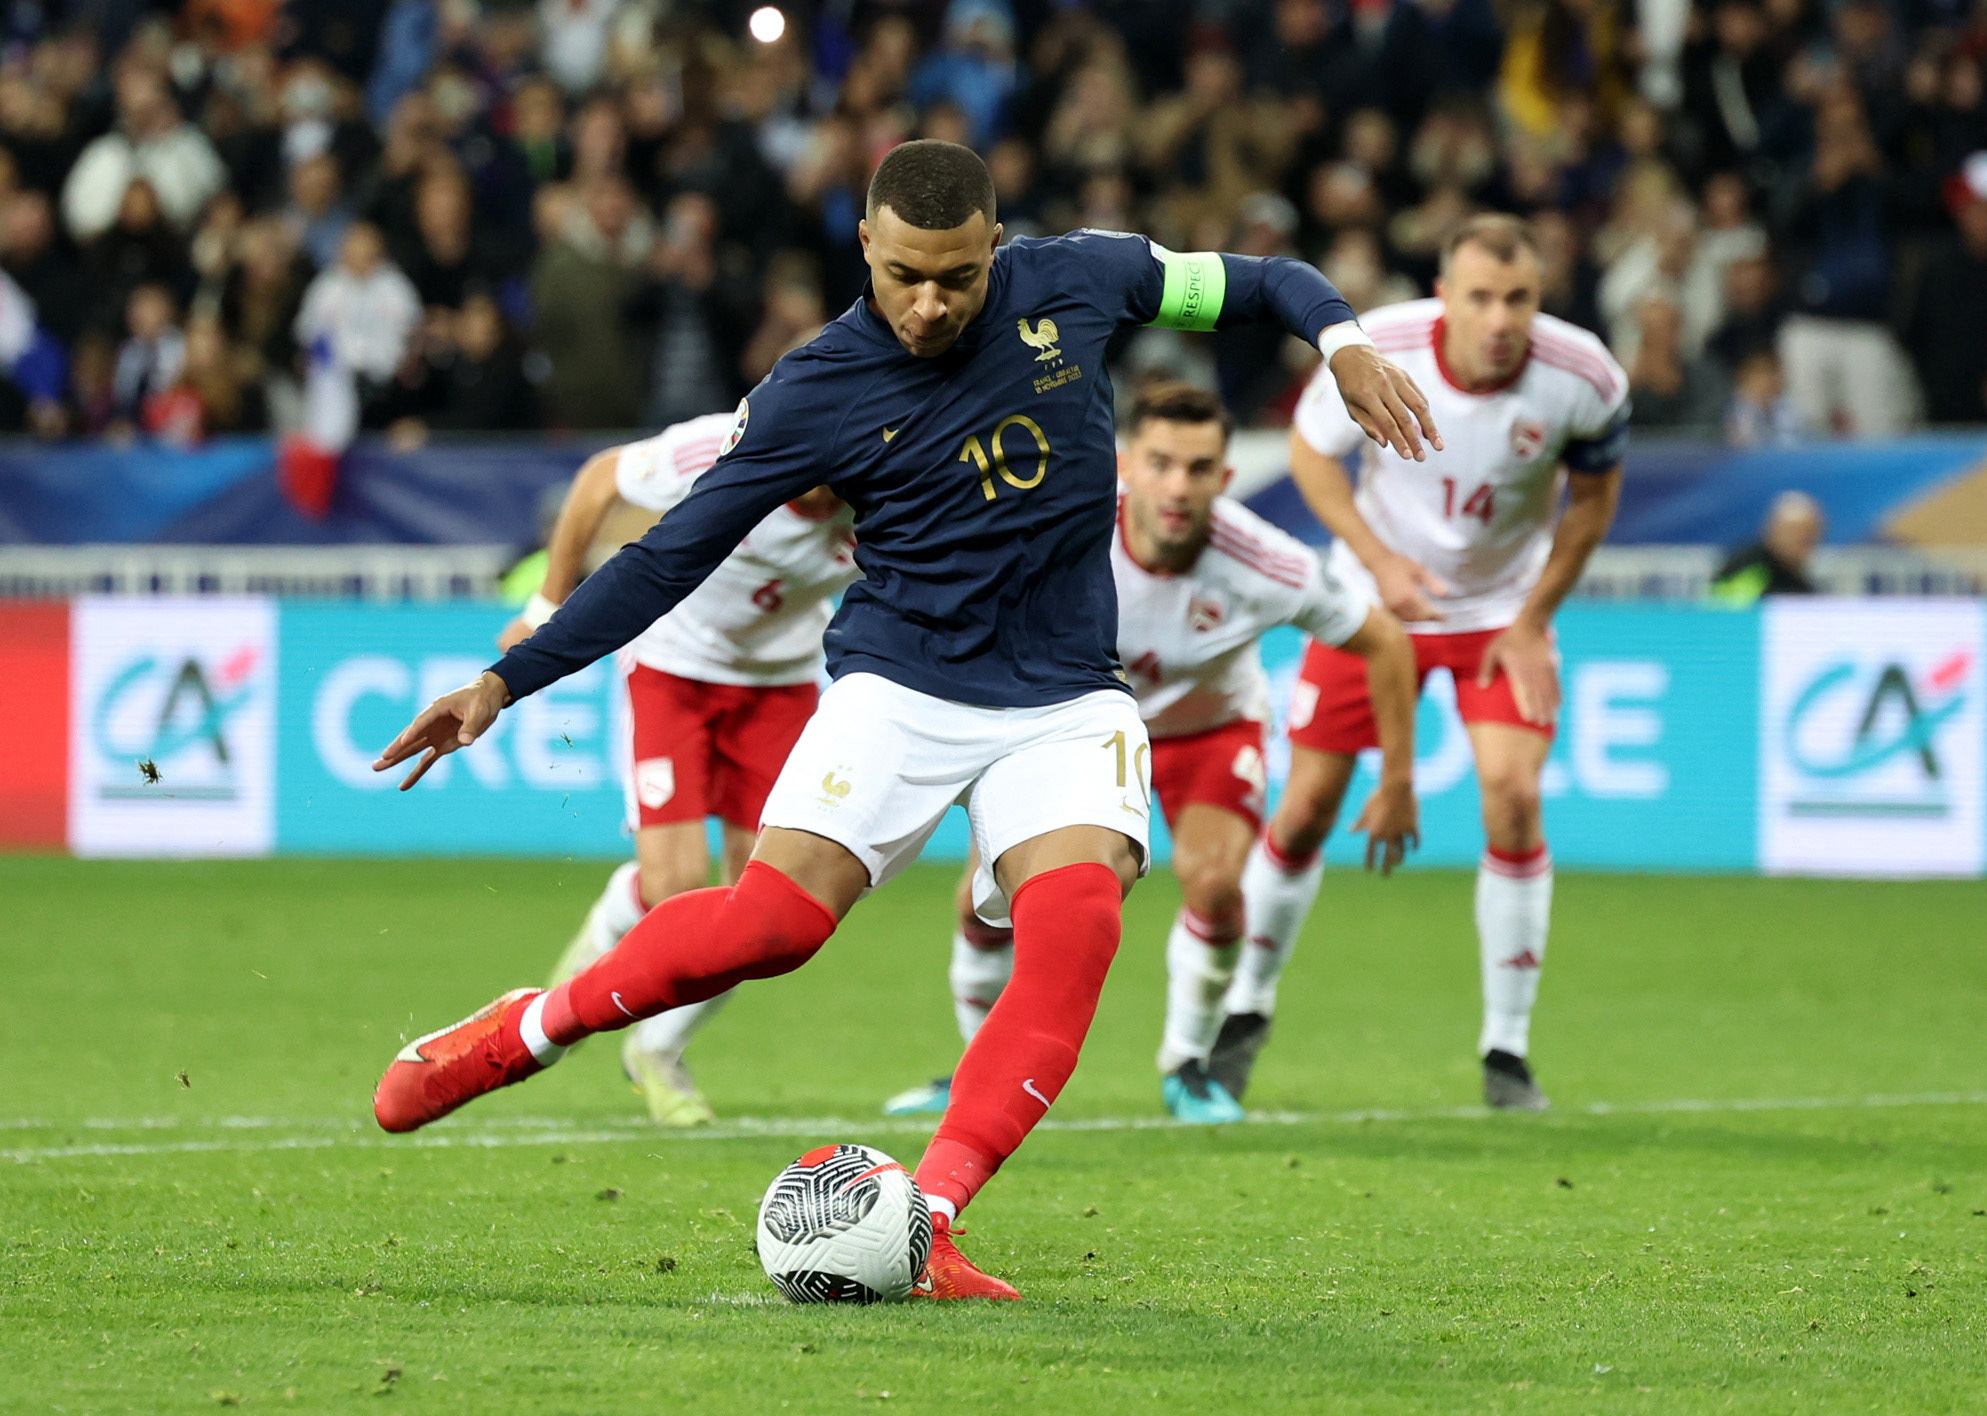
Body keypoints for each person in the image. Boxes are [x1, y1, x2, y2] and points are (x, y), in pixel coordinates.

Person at [369, 140, 1436, 1300]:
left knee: (1076, 926)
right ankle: (531, 1028)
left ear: (995, 251)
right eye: (905, 276)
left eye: (959, 278)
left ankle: (923, 1225)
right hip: (899, 683)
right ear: (865, 246)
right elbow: (671, 555)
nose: (929, 305)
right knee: (768, 931)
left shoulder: (1083, 276)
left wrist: (1340, 342)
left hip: (1065, 694)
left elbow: (1260, 281)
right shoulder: (810, 389)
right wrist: (503, 680)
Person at [882, 382, 1420, 1124]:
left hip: (1205, 730)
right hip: (1071, 729)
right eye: (1161, 463)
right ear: (1124, 463)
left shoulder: (1265, 563)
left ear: (1224, 478)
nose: (1177, 485)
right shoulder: (1057, 524)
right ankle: (977, 1070)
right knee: (989, 903)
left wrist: (1395, 776)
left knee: (1215, 886)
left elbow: (1384, 640)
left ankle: (1187, 1068)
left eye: (1198, 469)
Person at [1217, 214, 1627, 1114]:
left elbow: (1593, 502)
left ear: (1538, 298)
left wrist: (1534, 619)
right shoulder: (1379, 348)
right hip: (1374, 599)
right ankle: (1243, 1008)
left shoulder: (1584, 375)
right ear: (1445, 294)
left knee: (1513, 797)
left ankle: (1506, 1051)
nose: (1500, 317)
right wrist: (1377, 554)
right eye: (1480, 296)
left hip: (1495, 614)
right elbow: (1310, 454)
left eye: (1518, 298)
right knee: (1309, 804)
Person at [493, 413, 855, 1126]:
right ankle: (582, 970)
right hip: (672, 668)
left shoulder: (898, 482)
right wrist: (544, 603)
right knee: (676, 888)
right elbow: (601, 476)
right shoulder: (728, 443)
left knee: (765, 910)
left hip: (781, 686)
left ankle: (656, 1050)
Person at [1709, 491, 1824, 602]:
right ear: (1772, 530)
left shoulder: (1800, 583)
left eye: (1809, 535)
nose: (1802, 540)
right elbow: (1726, 611)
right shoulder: (1749, 568)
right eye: (1794, 532)